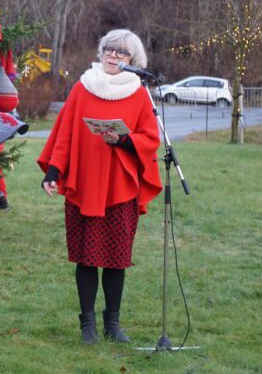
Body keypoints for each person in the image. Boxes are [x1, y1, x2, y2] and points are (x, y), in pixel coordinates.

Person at [37, 29, 162, 344]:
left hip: (120, 189)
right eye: (108, 49)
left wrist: (123, 140)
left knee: (116, 260)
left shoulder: (139, 94)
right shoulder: (84, 87)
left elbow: (150, 139)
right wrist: (53, 172)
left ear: (133, 60)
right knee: (86, 258)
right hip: (85, 186)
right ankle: (88, 326)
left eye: (121, 52)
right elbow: (65, 134)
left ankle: (113, 325)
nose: (113, 56)